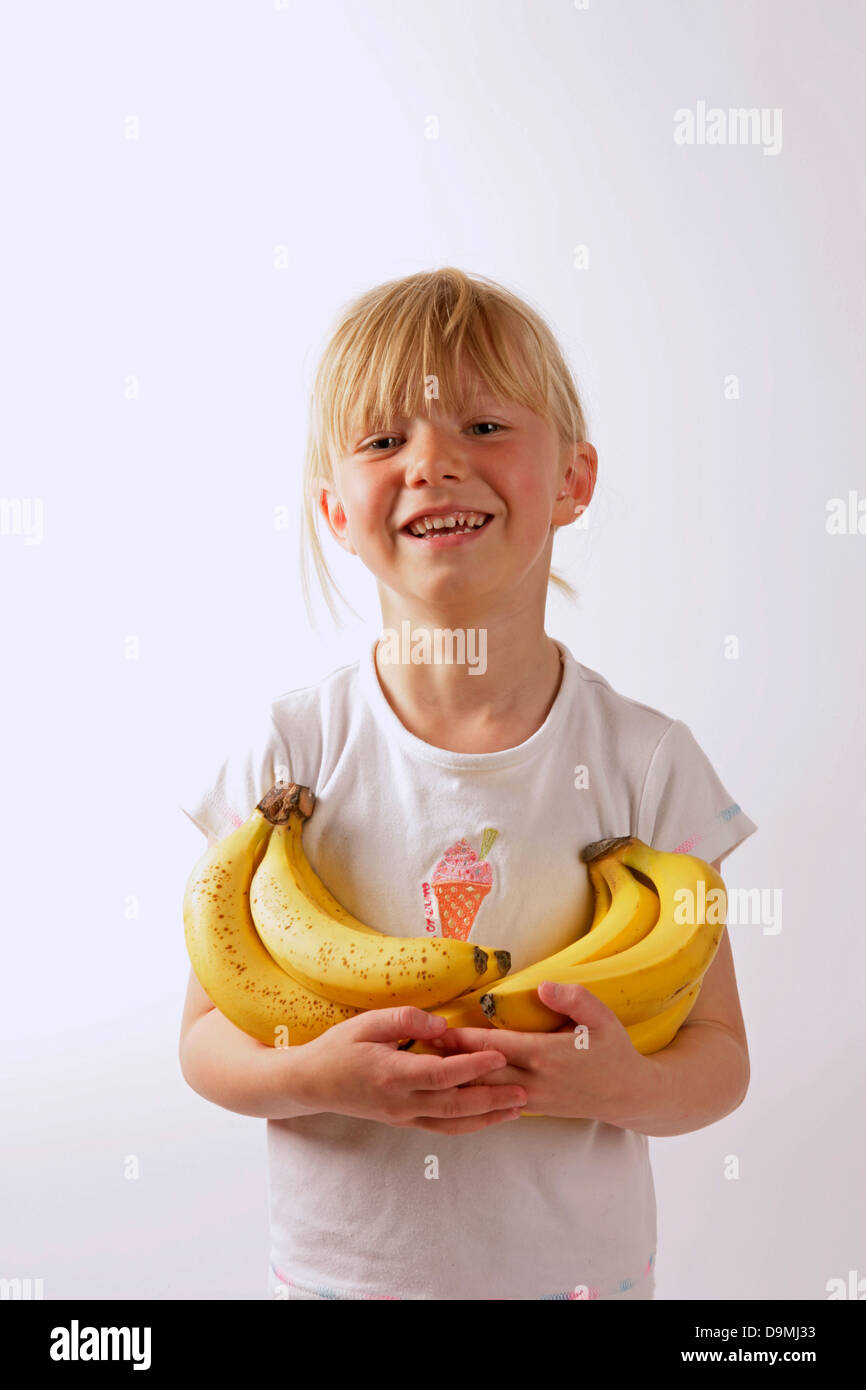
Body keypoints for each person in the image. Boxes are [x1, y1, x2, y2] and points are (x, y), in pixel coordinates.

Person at [178, 267, 757, 1301]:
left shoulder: (649, 763)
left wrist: (627, 1086)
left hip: (579, 1283)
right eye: (382, 440)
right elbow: (206, 1040)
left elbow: (718, 1056)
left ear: (573, 479)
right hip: (336, 1282)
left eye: (485, 425)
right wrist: (318, 1078)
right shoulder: (286, 757)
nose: (434, 461)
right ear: (334, 511)